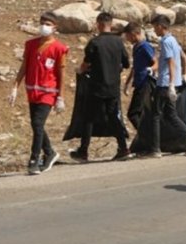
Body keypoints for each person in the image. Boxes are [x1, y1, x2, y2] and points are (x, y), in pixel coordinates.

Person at [10, 11, 68, 175]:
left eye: (48, 24)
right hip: (32, 91)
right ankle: (50, 153)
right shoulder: (31, 45)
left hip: (48, 93)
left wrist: (60, 97)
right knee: (37, 125)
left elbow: (61, 73)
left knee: (37, 124)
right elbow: (24, 66)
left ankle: (34, 159)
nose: (44, 27)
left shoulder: (59, 49)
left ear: (55, 28)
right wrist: (15, 86)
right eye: (42, 23)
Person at [70, 12, 131, 162]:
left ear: (98, 24)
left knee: (88, 118)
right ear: (111, 24)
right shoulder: (118, 42)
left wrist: (80, 70)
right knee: (113, 116)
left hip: (97, 86)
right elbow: (126, 63)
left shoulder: (95, 42)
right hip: (113, 88)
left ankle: (83, 151)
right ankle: (123, 147)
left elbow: (86, 63)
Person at [148, 14, 186, 158]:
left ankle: (155, 149)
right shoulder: (173, 40)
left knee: (156, 115)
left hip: (165, 83)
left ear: (160, 26)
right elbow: (183, 57)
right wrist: (183, 74)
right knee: (171, 115)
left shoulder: (166, 42)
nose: (154, 31)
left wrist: (171, 83)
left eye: (155, 27)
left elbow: (171, 61)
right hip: (172, 81)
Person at [122, 22, 156, 132]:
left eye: (128, 36)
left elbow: (155, 62)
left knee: (133, 113)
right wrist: (127, 83)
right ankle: (146, 137)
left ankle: (146, 137)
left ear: (133, 34)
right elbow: (135, 67)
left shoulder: (145, 46)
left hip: (145, 83)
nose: (127, 39)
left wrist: (151, 70)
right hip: (138, 82)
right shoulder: (136, 47)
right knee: (140, 113)